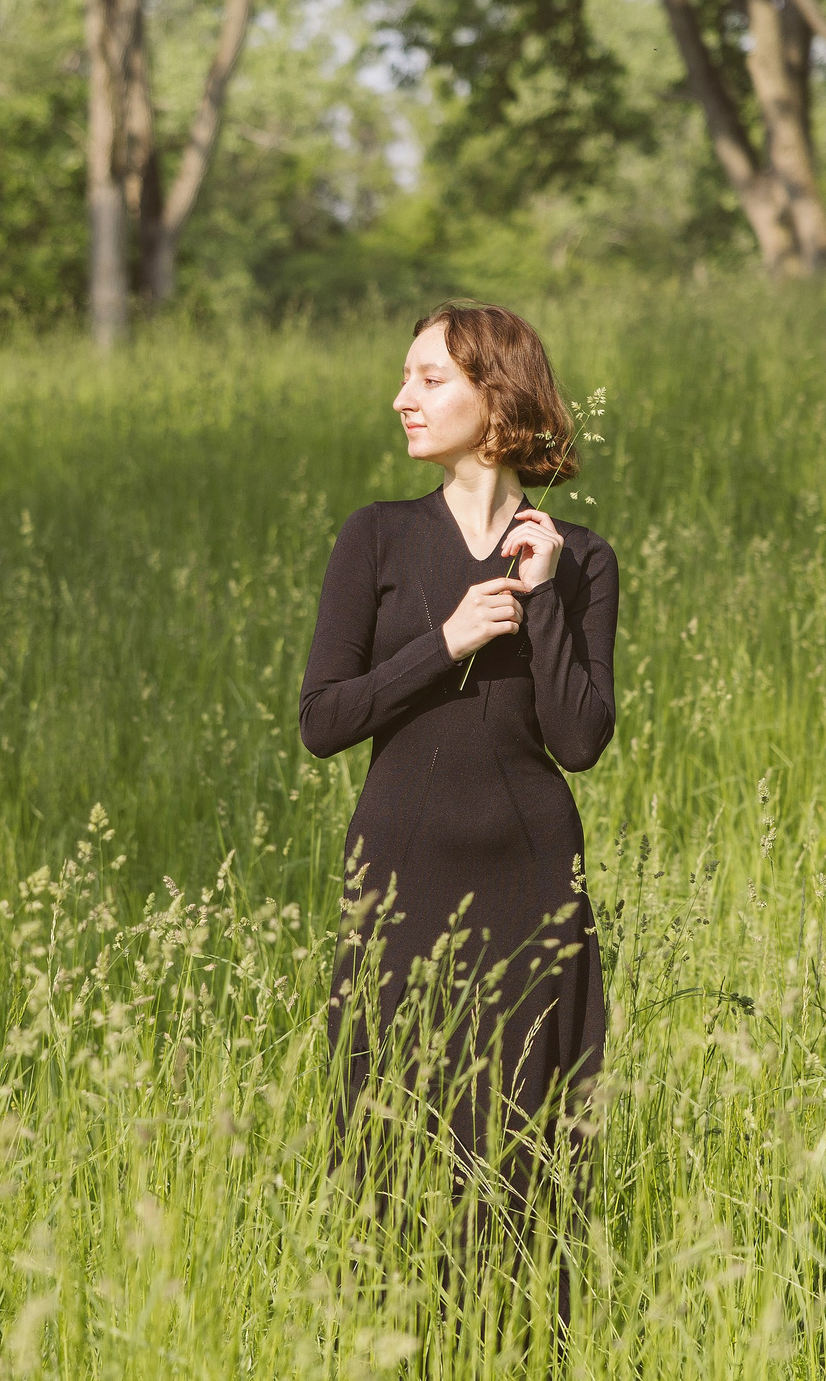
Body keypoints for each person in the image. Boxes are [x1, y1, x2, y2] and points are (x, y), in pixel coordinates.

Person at [299, 299, 619, 1241]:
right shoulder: (376, 537)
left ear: (496, 395)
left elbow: (581, 740)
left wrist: (547, 592)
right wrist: (446, 641)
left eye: (428, 378)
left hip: (532, 884)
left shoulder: (582, 556)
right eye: (405, 377)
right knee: (389, 1140)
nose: (403, 397)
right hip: (400, 877)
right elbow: (323, 721)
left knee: (529, 1148)